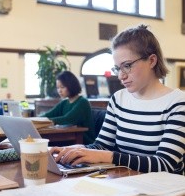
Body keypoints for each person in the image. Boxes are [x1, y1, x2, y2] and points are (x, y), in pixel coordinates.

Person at [50, 25, 185, 174]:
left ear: (152, 60)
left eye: (127, 66)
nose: (121, 76)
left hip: (166, 192)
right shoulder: (118, 99)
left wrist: (108, 156)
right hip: (127, 183)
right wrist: (74, 150)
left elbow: (165, 164)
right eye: (117, 68)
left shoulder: (177, 103)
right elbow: (102, 147)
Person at [40, 71, 96, 144]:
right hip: (69, 139)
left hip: (84, 141)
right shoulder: (64, 103)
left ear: (71, 85)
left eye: (62, 87)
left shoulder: (83, 102)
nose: (59, 90)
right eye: (58, 88)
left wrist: (47, 121)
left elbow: (68, 119)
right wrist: (36, 120)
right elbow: (48, 115)